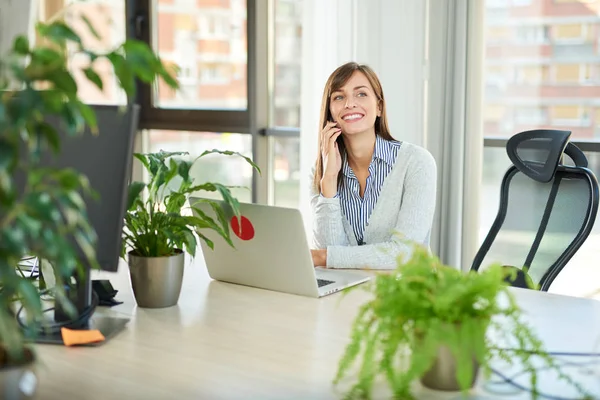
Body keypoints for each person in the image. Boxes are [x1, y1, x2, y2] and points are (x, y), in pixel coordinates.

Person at [310, 62, 437, 270]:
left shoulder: (417, 162)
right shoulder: (321, 173)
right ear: (330, 112)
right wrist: (329, 182)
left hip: (406, 295)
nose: (349, 103)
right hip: (346, 295)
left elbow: (404, 253)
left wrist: (323, 257)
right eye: (339, 97)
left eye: (361, 94)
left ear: (379, 107)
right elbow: (329, 255)